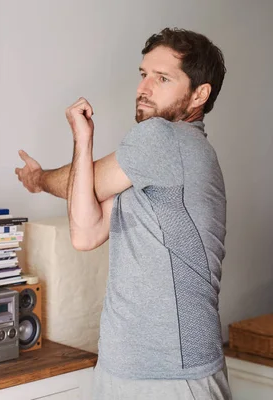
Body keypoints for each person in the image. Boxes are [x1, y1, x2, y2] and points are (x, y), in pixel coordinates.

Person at [15, 28, 231, 399]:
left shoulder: (164, 138)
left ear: (199, 94)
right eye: (143, 74)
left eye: (162, 78)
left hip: (171, 378)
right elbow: (85, 233)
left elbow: (87, 181)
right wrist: (83, 141)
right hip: (124, 365)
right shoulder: (151, 165)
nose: (144, 87)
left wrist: (38, 179)